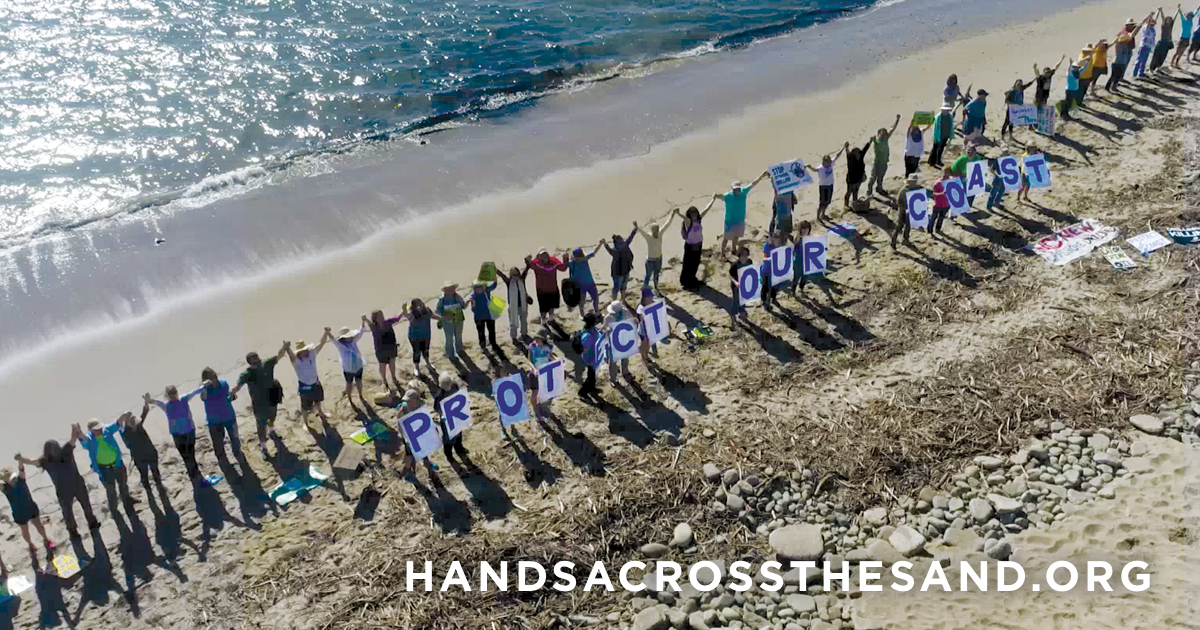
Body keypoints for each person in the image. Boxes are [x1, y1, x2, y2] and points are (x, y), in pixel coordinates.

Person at [16, 437, 99, 539]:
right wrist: (21, 459)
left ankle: (92, 524)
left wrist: (75, 431)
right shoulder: (45, 461)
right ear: (47, 451)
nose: (54, 449)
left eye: (55, 447)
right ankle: (73, 531)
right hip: (64, 490)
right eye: (52, 448)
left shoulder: (66, 451)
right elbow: (32, 461)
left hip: (77, 485)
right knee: (68, 513)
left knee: (85, 506)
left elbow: (73, 439)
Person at [231, 342, 289, 457]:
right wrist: (232, 391)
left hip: (272, 397)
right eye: (255, 362)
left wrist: (285, 347)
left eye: (258, 360)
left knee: (273, 416)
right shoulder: (247, 374)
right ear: (250, 364)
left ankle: (272, 431)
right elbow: (238, 385)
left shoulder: (267, 364)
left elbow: (279, 355)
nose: (258, 363)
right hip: (259, 404)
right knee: (261, 426)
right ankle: (263, 446)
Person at [76, 417, 136, 517]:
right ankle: (114, 510)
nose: (99, 430)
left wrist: (125, 414)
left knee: (123, 485)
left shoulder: (106, 430)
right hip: (104, 470)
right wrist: (79, 432)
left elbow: (117, 423)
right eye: (96, 429)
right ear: (91, 430)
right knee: (110, 490)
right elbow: (83, 440)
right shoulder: (89, 439)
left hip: (117, 465)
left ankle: (127, 501)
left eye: (99, 428)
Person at [144, 386, 204, 483]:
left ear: (176, 393)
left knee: (190, 454)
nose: (173, 397)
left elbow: (194, 392)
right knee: (185, 455)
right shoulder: (166, 405)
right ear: (167, 396)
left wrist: (204, 385)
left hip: (189, 432)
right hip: (178, 435)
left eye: (174, 394)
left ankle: (195, 473)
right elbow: (155, 402)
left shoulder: (183, 399)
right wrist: (148, 399)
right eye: (170, 395)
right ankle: (193, 474)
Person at [1, 463, 55, 557]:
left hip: (30, 507)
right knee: (25, 531)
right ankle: (30, 544)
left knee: (39, 526)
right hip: (19, 512)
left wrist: (20, 461)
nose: (11, 479)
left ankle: (45, 539)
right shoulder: (5, 488)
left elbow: (22, 470)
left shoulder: (20, 480)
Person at [118, 402, 166, 503]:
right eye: (134, 423)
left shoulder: (138, 424)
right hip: (140, 457)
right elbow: (121, 429)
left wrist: (145, 403)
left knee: (155, 471)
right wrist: (125, 419)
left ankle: (159, 486)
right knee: (144, 476)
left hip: (150, 453)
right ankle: (149, 492)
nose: (137, 424)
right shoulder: (126, 432)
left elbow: (144, 413)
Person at [713, 173, 769, 258]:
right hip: (729, 221)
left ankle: (733, 249)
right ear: (732, 189)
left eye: (738, 189)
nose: (737, 191)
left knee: (736, 237)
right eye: (735, 189)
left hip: (740, 220)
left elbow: (753, 183)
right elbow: (720, 196)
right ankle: (722, 252)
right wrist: (715, 195)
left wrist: (762, 176)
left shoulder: (743, 192)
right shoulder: (728, 196)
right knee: (726, 238)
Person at [197, 367, 244, 464]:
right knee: (218, 443)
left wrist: (232, 394)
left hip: (229, 416)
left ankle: (237, 452)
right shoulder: (204, 390)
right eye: (210, 378)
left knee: (234, 437)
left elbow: (228, 397)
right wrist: (204, 387)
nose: (213, 380)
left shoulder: (223, 383)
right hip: (214, 420)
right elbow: (203, 398)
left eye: (214, 377)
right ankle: (222, 459)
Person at [286, 332, 332, 425]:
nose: (305, 352)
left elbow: (321, 343)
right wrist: (287, 348)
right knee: (306, 408)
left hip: (316, 383)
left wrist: (325, 333)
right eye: (302, 351)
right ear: (299, 353)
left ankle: (321, 414)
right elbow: (291, 355)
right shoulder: (296, 361)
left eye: (305, 350)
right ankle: (305, 423)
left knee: (318, 401)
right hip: (305, 387)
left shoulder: (311, 355)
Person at [433, 372, 470, 466]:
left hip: (457, 415)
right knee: (448, 438)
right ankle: (448, 454)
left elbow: (459, 396)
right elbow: (436, 408)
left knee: (459, 433)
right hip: (446, 420)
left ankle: (459, 448)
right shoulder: (439, 395)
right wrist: (443, 414)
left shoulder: (455, 386)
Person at [677, 201, 715, 290]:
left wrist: (712, 200)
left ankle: (692, 279)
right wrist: (678, 213)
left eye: (695, 213)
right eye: (692, 214)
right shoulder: (688, 222)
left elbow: (706, 210)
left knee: (695, 263)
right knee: (688, 265)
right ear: (689, 215)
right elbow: (685, 218)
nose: (694, 215)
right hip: (690, 246)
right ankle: (685, 282)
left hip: (698, 245)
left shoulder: (699, 220)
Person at [367, 310, 404, 396]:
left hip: (391, 347)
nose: (382, 316)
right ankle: (384, 380)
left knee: (392, 364)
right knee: (382, 365)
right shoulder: (373, 326)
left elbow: (398, 318)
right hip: (380, 350)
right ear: (375, 318)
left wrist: (403, 311)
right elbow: (368, 322)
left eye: (382, 314)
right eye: (380, 315)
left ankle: (393, 377)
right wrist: (364, 319)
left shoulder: (387, 322)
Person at [398, 299, 439, 376]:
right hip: (414, 337)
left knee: (426, 350)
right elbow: (405, 314)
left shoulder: (427, 311)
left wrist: (443, 318)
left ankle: (428, 363)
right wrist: (403, 308)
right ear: (413, 307)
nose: (419, 307)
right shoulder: (412, 314)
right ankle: (416, 368)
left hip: (426, 335)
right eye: (417, 306)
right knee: (417, 352)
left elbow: (433, 316)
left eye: (420, 304)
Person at [527, 249, 568, 326]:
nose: (545, 256)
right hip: (541, 290)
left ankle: (551, 319)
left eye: (546, 254)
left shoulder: (553, 261)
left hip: (553, 288)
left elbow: (563, 268)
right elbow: (529, 264)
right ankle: (543, 321)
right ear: (539, 256)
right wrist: (528, 258)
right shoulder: (536, 263)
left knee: (552, 306)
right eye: (542, 254)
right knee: (543, 308)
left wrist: (565, 259)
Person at [637, 214, 675, 295]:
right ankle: (645, 288)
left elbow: (667, 224)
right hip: (650, 260)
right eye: (655, 229)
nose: (657, 231)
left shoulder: (660, 234)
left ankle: (656, 288)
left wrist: (672, 215)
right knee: (648, 275)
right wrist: (636, 226)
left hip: (658, 259)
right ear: (652, 230)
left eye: (657, 229)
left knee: (656, 275)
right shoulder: (648, 237)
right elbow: (641, 232)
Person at [808, 145, 847, 221]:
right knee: (822, 203)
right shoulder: (820, 168)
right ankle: (818, 216)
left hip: (830, 186)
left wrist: (843, 148)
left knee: (828, 202)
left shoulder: (831, 163)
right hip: (823, 187)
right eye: (827, 163)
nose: (828, 164)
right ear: (823, 162)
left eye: (829, 163)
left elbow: (837, 156)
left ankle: (823, 214)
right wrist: (809, 166)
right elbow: (814, 170)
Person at [867, 114, 902, 196]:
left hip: (884, 162)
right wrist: (870, 140)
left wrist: (897, 120)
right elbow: (867, 145)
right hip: (876, 162)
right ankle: (869, 191)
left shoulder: (886, 139)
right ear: (878, 134)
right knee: (873, 177)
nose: (883, 135)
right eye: (882, 133)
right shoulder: (876, 141)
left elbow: (892, 129)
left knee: (880, 177)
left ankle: (879, 189)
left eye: (884, 133)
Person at [602, 225, 639, 300]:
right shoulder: (615, 251)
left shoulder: (624, 245)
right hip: (617, 273)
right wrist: (605, 244)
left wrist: (635, 229)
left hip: (626, 270)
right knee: (617, 287)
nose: (622, 243)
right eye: (620, 242)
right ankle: (614, 301)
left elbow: (630, 238)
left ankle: (622, 300)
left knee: (623, 287)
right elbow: (609, 249)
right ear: (616, 243)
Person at [495, 265, 530, 343]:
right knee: (513, 322)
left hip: (523, 305)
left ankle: (524, 334)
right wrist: (496, 270)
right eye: (513, 275)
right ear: (510, 275)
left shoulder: (522, 280)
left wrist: (528, 264)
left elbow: (526, 271)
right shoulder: (509, 282)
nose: (515, 277)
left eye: (516, 274)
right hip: (513, 307)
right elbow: (502, 276)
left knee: (523, 320)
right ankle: (514, 337)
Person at [601, 303, 635, 383]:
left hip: (620, 342)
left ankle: (621, 374)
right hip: (619, 343)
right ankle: (616, 376)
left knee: (621, 360)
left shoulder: (624, 315)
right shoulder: (609, 318)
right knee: (616, 361)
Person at [435, 282, 467, 361]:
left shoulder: (458, 297)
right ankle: (450, 353)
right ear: (445, 290)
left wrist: (468, 302)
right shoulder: (441, 299)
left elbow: (463, 306)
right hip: (447, 322)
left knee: (458, 336)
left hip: (459, 321)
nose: (451, 290)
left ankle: (460, 350)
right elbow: (437, 311)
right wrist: (444, 316)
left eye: (452, 288)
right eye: (449, 289)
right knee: (449, 338)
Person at [567, 245, 604, 316]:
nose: (579, 257)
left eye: (580, 255)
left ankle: (596, 311)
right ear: (574, 256)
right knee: (582, 301)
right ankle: (582, 314)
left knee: (595, 298)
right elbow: (563, 265)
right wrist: (565, 257)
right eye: (577, 256)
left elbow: (594, 252)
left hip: (590, 283)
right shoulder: (572, 263)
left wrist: (600, 244)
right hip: (580, 286)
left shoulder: (585, 259)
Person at [527, 329, 556, 417]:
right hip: (535, 373)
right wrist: (533, 369)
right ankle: (535, 410)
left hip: (546, 372)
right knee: (534, 393)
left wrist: (557, 361)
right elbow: (529, 361)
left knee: (548, 392)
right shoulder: (532, 347)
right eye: (536, 338)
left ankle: (545, 408)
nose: (537, 340)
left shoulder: (548, 347)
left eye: (539, 338)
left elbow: (550, 356)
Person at [1107, 19, 1142, 91]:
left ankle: (1109, 87)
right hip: (1119, 62)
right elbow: (1133, 33)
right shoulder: (1122, 45)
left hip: (1118, 62)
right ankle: (1112, 87)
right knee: (1115, 76)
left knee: (1114, 76)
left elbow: (1134, 32)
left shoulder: (1120, 43)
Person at [466, 280, 501, 350]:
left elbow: (494, 285)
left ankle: (493, 342)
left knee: (491, 330)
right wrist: (472, 303)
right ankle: (482, 344)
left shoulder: (487, 291)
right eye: (476, 288)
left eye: (480, 287)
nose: (479, 289)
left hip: (489, 315)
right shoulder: (473, 296)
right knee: (481, 332)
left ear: (484, 287)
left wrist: (494, 275)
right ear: (474, 288)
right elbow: (473, 310)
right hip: (479, 317)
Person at [891, 174, 923, 251]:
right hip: (903, 211)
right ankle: (893, 242)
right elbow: (898, 201)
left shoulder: (917, 188)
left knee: (908, 225)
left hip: (911, 211)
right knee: (899, 226)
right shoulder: (903, 190)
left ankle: (905, 239)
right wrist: (903, 208)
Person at [576, 312, 603, 398]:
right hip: (590, 358)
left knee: (592, 374)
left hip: (593, 357)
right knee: (590, 377)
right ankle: (582, 392)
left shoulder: (591, 328)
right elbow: (585, 350)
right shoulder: (588, 336)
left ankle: (592, 388)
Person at [727, 246, 753, 328]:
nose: (745, 257)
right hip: (736, 286)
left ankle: (742, 313)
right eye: (743, 255)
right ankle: (733, 316)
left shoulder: (749, 262)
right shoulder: (735, 265)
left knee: (744, 299)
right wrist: (736, 283)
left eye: (746, 255)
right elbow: (730, 275)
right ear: (740, 255)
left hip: (745, 285)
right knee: (736, 301)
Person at [843, 139, 871, 208]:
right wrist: (846, 147)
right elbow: (847, 152)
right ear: (853, 154)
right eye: (856, 153)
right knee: (849, 192)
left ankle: (854, 205)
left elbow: (865, 149)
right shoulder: (850, 159)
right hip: (851, 180)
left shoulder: (861, 156)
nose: (858, 154)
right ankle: (846, 205)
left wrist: (870, 141)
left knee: (856, 192)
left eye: (858, 152)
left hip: (858, 179)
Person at [1132, 11, 1158, 78]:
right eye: (1152, 23)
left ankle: (1141, 73)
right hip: (1143, 46)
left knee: (1144, 61)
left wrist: (1158, 11)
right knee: (1139, 60)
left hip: (1148, 46)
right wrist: (1150, 15)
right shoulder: (1146, 27)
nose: (1153, 24)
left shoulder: (1153, 29)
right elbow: (1147, 21)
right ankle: (1134, 74)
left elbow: (1155, 19)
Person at [1150, 8, 1175, 73]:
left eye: (1170, 20)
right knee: (1156, 56)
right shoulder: (1164, 25)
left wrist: (1177, 10)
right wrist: (1161, 11)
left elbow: (1174, 18)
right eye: (1167, 20)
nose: (1168, 21)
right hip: (1161, 43)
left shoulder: (1170, 26)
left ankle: (1158, 67)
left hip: (1167, 44)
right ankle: (1152, 69)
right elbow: (1163, 18)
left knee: (1163, 56)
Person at [792, 221, 813, 297]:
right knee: (796, 277)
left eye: (806, 229)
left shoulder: (811, 238)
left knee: (805, 277)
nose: (804, 231)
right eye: (803, 229)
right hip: (798, 261)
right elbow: (795, 245)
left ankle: (801, 288)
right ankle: (793, 290)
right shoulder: (797, 238)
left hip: (807, 261)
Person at [930, 168, 952, 237]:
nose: (946, 174)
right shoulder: (938, 183)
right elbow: (933, 194)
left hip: (946, 204)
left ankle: (938, 229)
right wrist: (942, 193)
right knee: (933, 218)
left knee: (941, 218)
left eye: (948, 172)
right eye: (945, 172)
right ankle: (930, 230)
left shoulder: (951, 182)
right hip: (938, 204)